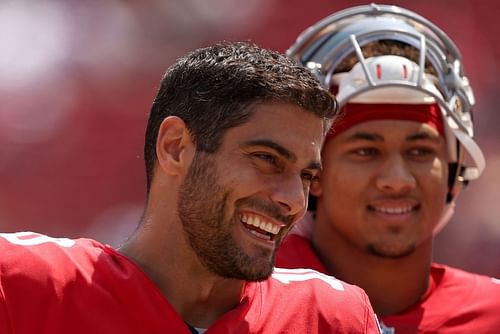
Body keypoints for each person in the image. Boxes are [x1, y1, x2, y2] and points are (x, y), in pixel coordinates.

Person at [0, 42, 382, 334]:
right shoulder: (21, 286)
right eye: (267, 159)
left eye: (305, 177)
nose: (292, 199)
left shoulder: (329, 317)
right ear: (176, 148)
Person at [276, 4, 500, 333]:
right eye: (366, 151)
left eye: (420, 151)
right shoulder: (238, 297)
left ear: (453, 169)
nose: (397, 180)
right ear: (312, 171)